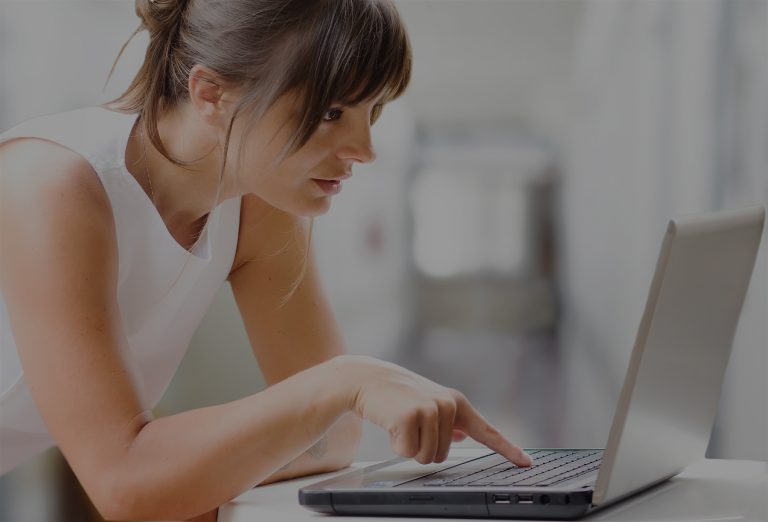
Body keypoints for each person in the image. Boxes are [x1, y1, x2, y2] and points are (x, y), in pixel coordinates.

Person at [0, 0, 532, 520]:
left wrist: (180, 468)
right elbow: (126, 484)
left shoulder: (259, 201)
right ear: (211, 95)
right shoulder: (51, 185)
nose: (365, 148)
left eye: (372, 110)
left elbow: (331, 437)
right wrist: (345, 380)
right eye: (331, 112)